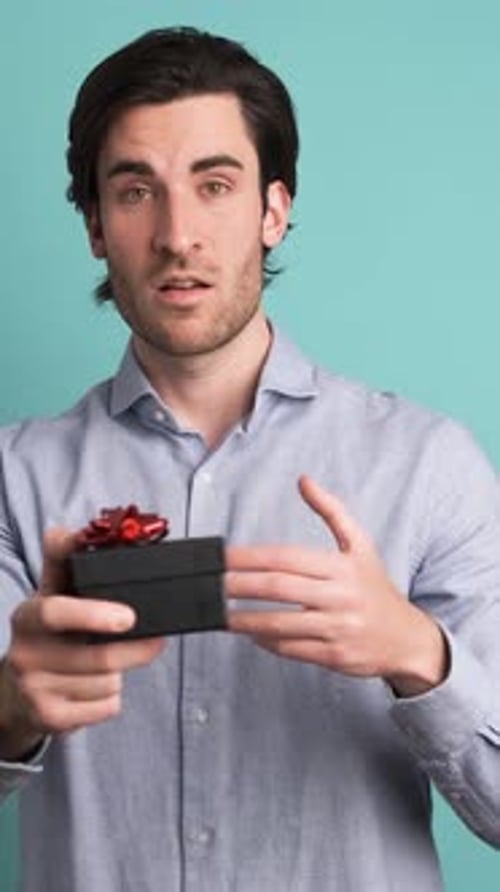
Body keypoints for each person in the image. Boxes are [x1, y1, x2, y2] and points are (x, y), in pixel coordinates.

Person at [0, 26, 499, 892]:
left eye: (215, 185)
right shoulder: (14, 481)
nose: (177, 235)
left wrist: (418, 652)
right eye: (135, 191)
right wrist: (9, 710)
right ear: (95, 226)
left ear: (273, 210)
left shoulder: (429, 466)